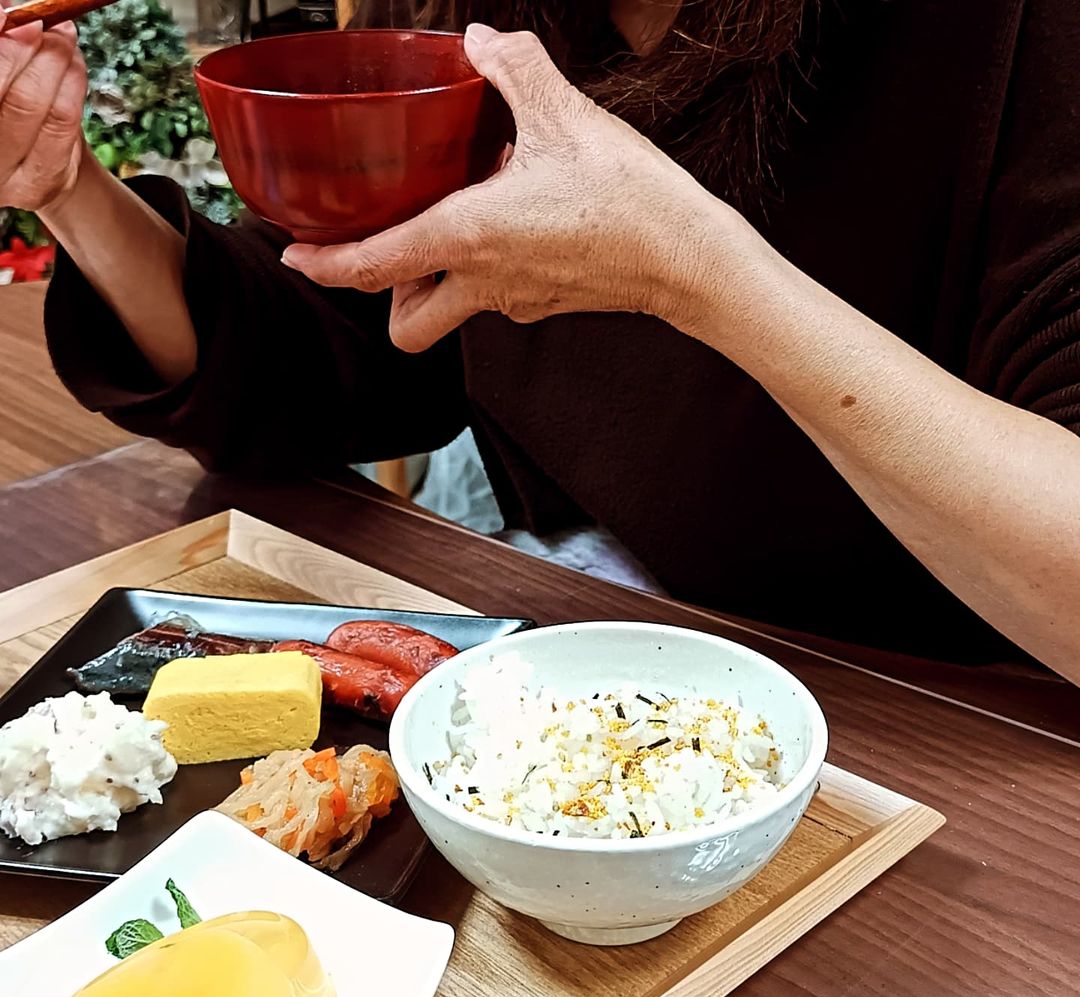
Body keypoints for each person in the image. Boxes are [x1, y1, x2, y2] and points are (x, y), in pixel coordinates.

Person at [2, 0, 1078, 678]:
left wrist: (697, 276)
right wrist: (65, 182)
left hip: (957, 738)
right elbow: (342, 353)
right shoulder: (483, 20)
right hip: (575, 666)